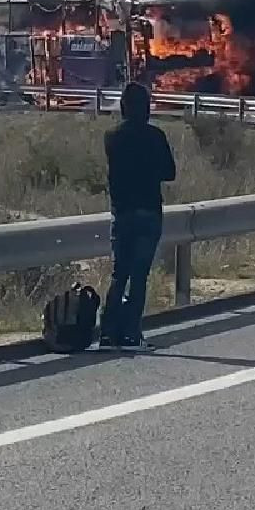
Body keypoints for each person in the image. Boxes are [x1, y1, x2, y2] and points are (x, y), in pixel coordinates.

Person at [100, 81, 176, 350]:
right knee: (139, 275)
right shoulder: (156, 136)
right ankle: (132, 332)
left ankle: (107, 333)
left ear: (123, 107)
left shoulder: (112, 137)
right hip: (148, 212)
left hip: (122, 213)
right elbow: (170, 173)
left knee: (119, 273)